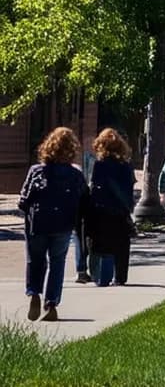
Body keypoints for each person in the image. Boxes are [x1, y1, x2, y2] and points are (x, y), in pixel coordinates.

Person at [19, 127, 88, 322]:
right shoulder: (75, 174)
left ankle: (33, 293)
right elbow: (85, 197)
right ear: (72, 149)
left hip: (38, 223)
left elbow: (23, 200)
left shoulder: (36, 170)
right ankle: (51, 304)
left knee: (35, 260)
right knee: (57, 263)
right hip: (63, 224)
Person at [85, 129, 136, 287]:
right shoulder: (126, 165)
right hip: (121, 210)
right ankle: (120, 277)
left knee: (102, 243)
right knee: (121, 243)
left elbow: (94, 187)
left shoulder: (99, 164)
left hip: (101, 209)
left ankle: (102, 277)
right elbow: (130, 186)